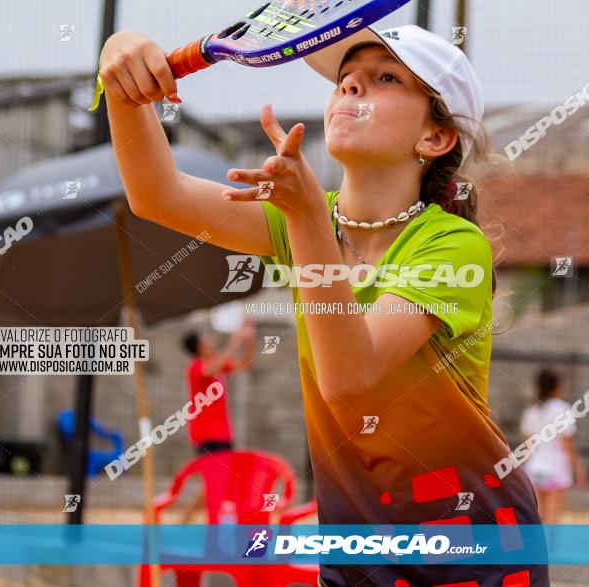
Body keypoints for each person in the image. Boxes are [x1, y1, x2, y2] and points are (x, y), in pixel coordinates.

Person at [99, 24, 549, 586]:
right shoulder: (302, 217)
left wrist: (308, 219)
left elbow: (350, 376)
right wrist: (120, 73)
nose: (352, 89)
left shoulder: (453, 245)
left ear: (435, 138)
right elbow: (156, 195)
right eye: (345, 80)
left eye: (385, 78)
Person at [180, 320, 254, 523]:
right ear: (198, 346)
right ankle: (194, 521)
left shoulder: (216, 365)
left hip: (222, 434)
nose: (210, 340)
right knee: (216, 482)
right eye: (205, 338)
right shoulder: (196, 368)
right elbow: (214, 366)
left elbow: (245, 365)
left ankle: (185, 520)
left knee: (216, 482)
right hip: (205, 436)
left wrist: (248, 341)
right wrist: (235, 340)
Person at [520, 368, 588, 524]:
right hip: (556, 471)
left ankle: (537, 548)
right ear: (556, 386)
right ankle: (550, 548)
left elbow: (528, 446)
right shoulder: (562, 409)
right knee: (552, 519)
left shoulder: (531, 411)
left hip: (534, 469)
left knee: (536, 517)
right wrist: (579, 471)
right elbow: (568, 445)